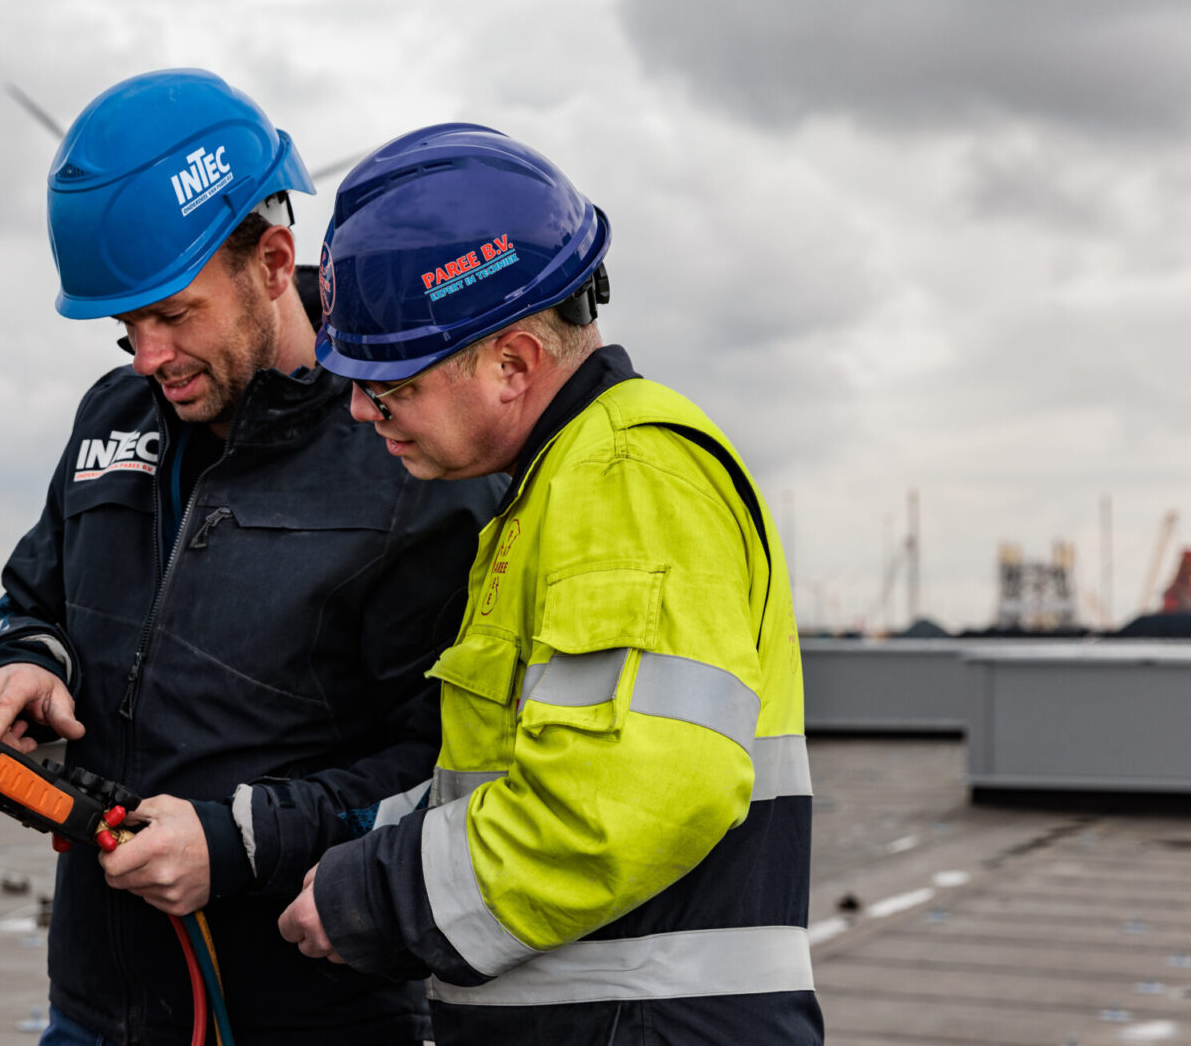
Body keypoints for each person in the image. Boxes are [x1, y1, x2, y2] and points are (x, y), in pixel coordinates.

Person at [0, 73, 500, 1046]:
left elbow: (451, 764)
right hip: (94, 1006)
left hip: (312, 1014)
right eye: (125, 327)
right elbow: (28, 597)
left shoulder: (409, 454)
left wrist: (240, 843)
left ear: (274, 259)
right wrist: (21, 662)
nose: (146, 357)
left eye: (174, 314)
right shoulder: (112, 418)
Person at [277, 123, 824, 1044]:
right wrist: (315, 846)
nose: (364, 410)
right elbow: (509, 778)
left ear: (513, 365)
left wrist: (375, 895)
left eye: (393, 383)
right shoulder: (555, 492)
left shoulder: (623, 478)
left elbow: (627, 796)